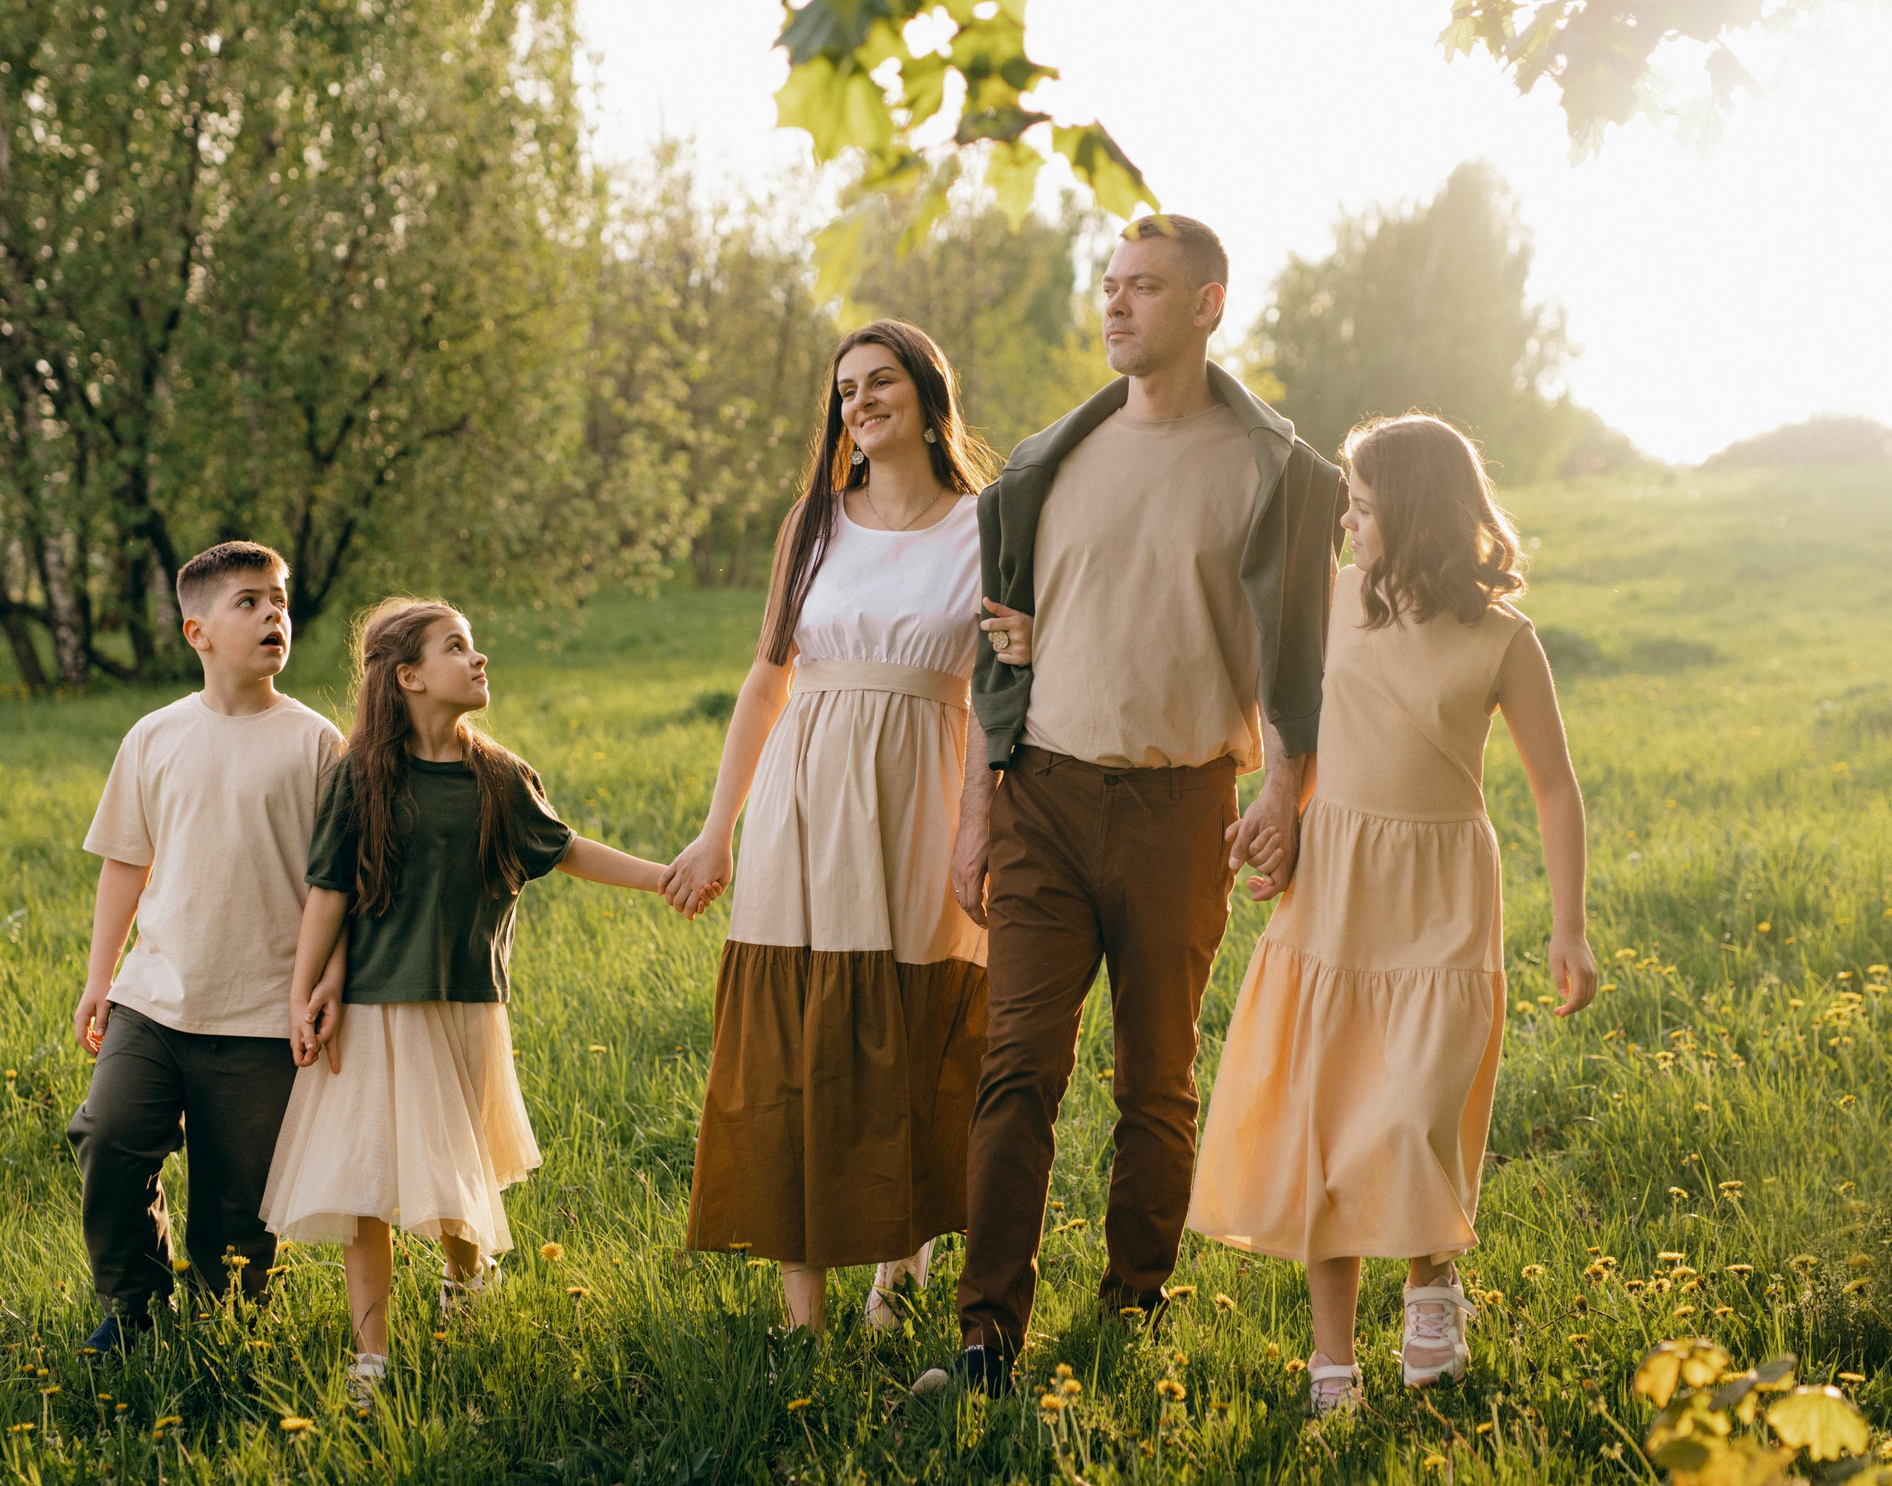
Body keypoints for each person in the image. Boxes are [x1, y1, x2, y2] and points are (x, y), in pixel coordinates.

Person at [924, 215, 1346, 1396]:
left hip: (1180, 809)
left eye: (1144, 288)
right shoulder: (1044, 464)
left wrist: (1283, 793)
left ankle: (1131, 1307)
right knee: (1015, 1067)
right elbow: (998, 655)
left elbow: (1294, 660)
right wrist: (973, 816)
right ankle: (984, 1338)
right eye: (1109, 287)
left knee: (1155, 1078)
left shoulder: (1272, 471)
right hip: (1043, 798)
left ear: (1207, 305)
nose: (1116, 306)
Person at [1185, 415, 1599, 1415]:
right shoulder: (1325, 606)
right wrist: (1276, 807)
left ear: (1415, 515)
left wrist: (1569, 926)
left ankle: (1428, 1279)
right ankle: (1332, 1364)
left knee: (1417, 1108)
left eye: (1364, 509)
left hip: (1443, 891)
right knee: (1326, 1124)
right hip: (1336, 888)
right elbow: (1290, 733)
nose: (1349, 524)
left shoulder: (1503, 639)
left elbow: (1554, 787)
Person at [667, 320, 1033, 1334]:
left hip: (928, 787)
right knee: (795, 1034)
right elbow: (764, 680)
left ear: (926, 395)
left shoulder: (987, 524)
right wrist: (715, 830)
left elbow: (1002, 686)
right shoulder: (814, 522)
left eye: (880, 383)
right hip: (804, 790)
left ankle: (901, 1257)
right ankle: (803, 1311)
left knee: (910, 1029)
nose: (860, 402)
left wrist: (981, 825)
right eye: (844, 390)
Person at [258, 597, 688, 1399]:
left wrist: (663, 876)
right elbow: (327, 889)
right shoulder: (363, 773)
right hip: (378, 1007)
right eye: (458, 646)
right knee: (366, 1188)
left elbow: (565, 850)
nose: (479, 657)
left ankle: (466, 1288)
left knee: (459, 1171)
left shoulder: (499, 775)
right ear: (410, 677)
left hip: (467, 1003)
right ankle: (371, 1359)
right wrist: (304, 989)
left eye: (476, 644)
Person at [69, 541, 344, 1356]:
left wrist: (324, 986)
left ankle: (233, 1325)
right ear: (198, 632)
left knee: (239, 1206)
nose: (273, 616)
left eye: (280, 601)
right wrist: (100, 980)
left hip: (265, 1012)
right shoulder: (155, 736)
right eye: (250, 603)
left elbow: (343, 887)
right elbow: (127, 861)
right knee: (109, 1135)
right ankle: (133, 1307)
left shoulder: (316, 743)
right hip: (154, 999)